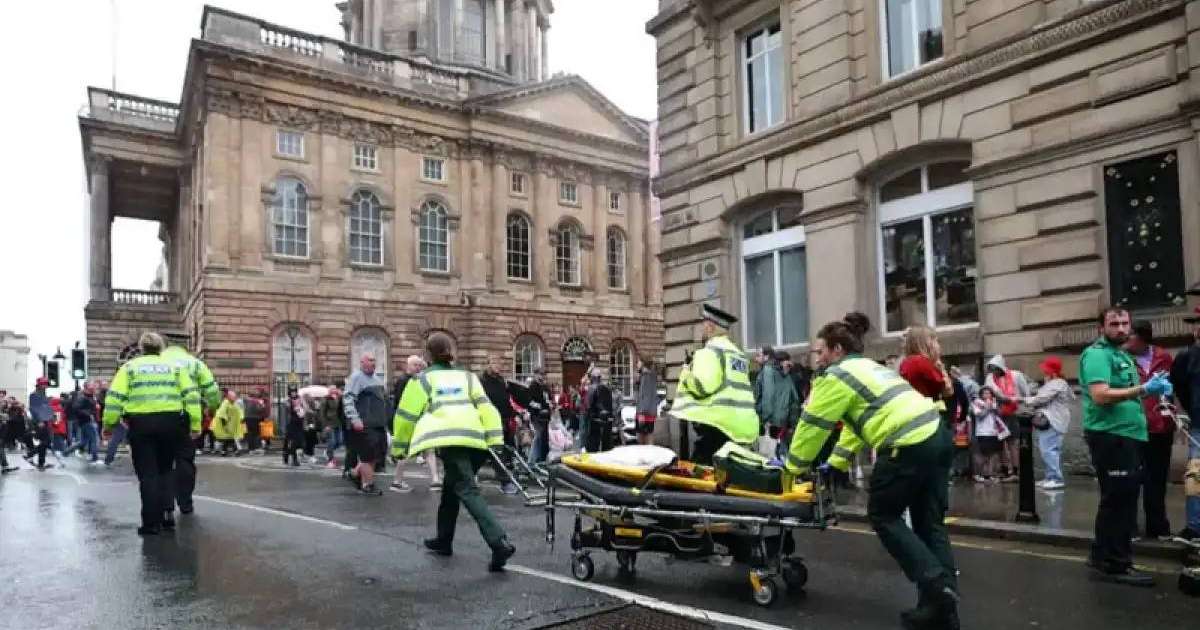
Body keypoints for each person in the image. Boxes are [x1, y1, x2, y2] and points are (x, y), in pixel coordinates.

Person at [787, 312, 958, 629]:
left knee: (883, 514)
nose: (818, 358)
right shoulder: (869, 369)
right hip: (936, 435)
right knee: (929, 524)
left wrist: (792, 468)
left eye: (821, 351)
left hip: (906, 444)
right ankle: (943, 611)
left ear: (837, 350)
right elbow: (856, 427)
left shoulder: (835, 376)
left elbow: (812, 427)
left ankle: (935, 585)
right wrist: (836, 463)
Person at [392, 332, 515, 571]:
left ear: (427, 355)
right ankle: (443, 539)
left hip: (452, 441)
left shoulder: (421, 380)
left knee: (467, 490)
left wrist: (399, 448)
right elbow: (487, 408)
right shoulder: (468, 377)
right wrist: (495, 440)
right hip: (477, 440)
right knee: (451, 490)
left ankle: (499, 542)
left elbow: (405, 418)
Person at [1079, 306, 1168, 586]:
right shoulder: (1097, 355)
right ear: (1101, 328)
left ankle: (1101, 555)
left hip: (1127, 435)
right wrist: (1143, 389)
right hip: (1111, 436)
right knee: (1121, 501)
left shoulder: (1121, 355)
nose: (1120, 328)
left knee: (1118, 499)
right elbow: (1100, 395)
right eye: (1114, 323)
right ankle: (1116, 564)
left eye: (1124, 323)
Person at [102, 332, 202, 535]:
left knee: (148, 474)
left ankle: (150, 522)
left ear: (141, 348)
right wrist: (195, 424)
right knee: (166, 470)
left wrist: (109, 425)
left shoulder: (129, 368)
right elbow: (191, 395)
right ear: (161, 348)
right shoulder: (175, 368)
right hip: (171, 422)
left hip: (141, 424)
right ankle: (167, 516)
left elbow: (115, 398)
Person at [672, 304, 760, 464]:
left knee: (698, 477)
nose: (702, 328)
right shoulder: (739, 355)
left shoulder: (710, 351)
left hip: (718, 427)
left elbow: (702, 386)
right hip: (741, 427)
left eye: (703, 324)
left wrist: (686, 373)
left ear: (710, 326)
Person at [1123, 320, 1175, 539]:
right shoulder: (1122, 360)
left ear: (1141, 337)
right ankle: (1130, 527)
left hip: (1160, 426)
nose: (1125, 340)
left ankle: (1157, 526)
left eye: (1129, 335)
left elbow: (1175, 388)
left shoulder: (1163, 357)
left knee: (1157, 478)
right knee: (1131, 478)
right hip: (1132, 426)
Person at [161, 341, 220, 517]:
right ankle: (185, 502)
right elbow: (211, 389)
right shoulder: (194, 363)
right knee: (185, 461)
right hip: (186, 417)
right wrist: (213, 406)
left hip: (160, 415)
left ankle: (167, 505)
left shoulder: (156, 362)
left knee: (163, 463)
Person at [1169, 306, 1200, 542]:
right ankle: (1195, 528)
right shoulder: (1188, 356)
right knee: (1196, 477)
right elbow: (1179, 386)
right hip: (1199, 426)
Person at [1022, 357, 1074, 491]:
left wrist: (1024, 399)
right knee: (1047, 450)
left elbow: (1041, 398)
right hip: (1052, 420)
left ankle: (1056, 479)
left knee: (1049, 450)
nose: (1043, 373)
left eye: (1045, 370)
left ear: (1051, 371)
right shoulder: (1056, 382)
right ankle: (1050, 477)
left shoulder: (1057, 383)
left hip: (1053, 421)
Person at [344, 353, 390, 495]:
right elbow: (348, 399)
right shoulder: (356, 377)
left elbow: (384, 400)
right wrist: (355, 419)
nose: (373, 363)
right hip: (365, 423)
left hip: (379, 423)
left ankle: (353, 473)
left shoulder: (377, 379)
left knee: (376, 455)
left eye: (374, 360)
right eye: (370, 360)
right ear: (362, 362)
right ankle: (367, 485)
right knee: (367, 456)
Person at [983, 354, 1031, 482]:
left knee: (1013, 443)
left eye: (995, 369)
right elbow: (987, 393)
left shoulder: (1016, 375)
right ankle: (1004, 469)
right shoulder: (990, 378)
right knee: (1000, 443)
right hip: (998, 414)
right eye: (991, 369)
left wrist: (1021, 403)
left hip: (1014, 413)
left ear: (1000, 367)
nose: (994, 372)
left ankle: (1015, 471)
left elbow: (1026, 393)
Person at [480, 357, 519, 495]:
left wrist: (514, 414)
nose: (498, 366)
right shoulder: (481, 381)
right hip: (489, 421)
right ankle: (505, 482)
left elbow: (506, 400)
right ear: (488, 364)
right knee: (496, 452)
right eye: (495, 363)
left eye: (500, 364)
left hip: (504, 420)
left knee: (508, 451)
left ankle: (510, 479)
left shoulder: (502, 381)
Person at [389, 355, 426, 493]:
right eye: (415, 365)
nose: (418, 367)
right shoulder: (404, 381)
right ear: (408, 365)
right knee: (402, 452)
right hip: (405, 420)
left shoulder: (415, 380)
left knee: (404, 452)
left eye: (419, 365)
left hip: (410, 419)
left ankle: (398, 481)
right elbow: (400, 402)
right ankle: (397, 482)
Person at [757, 349, 798, 459]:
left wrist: (765, 418)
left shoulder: (768, 372)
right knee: (775, 453)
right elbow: (794, 400)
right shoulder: (786, 376)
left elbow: (767, 396)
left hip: (770, 421)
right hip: (779, 421)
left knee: (767, 455)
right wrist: (792, 424)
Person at [970, 387, 1007, 483]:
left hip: (995, 432)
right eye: (984, 393)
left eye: (989, 393)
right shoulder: (976, 403)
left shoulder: (994, 403)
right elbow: (980, 415)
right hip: (983, 432)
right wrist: (987, 407)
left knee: (993, 454)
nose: (987, 395)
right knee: (984, 455)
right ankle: (979, 473)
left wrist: (994, 408)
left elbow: (1000, 414)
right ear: (981, 395)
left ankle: (990, 474)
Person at [62, 382, 101, 463]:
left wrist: (94, 408)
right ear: (87, 387)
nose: (94, 387)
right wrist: (89, 414)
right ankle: (95, 458)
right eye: (92, 385)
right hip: (87, 421)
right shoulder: (82, 397)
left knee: (83, 441)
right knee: (95, 439)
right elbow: (76, 408)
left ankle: (66, 452)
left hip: (86, 421)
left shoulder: (91, 396)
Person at [584, 368, 615, 453]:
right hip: (606, 420)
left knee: (592, 445)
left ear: (593, 377)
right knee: (606, 444)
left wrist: (587, 416)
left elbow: (588, 405)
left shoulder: (592, 388)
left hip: (595, 420)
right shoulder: (607, 388)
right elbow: (611, 405)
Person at [526, 367, 553, 464]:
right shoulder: (532, 386)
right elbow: (530, 402)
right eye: (540, 374)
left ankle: (542, 458)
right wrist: (542, 406)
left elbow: (549, 398)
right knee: (538, 437)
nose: (542, 376)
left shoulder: (545, 387)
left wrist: (550, 403)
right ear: (535, 375)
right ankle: (532, 460)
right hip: (536, 416)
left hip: (545, 417)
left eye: (544, 374)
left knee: (544, 437)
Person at [634, 358, 659, 446]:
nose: (637, 364)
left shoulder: (646, 376)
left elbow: (645, 396)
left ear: (643, 364)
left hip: (644, 412)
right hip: (650, 411)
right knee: (648, 436)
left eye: (638, 362)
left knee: (643, 439)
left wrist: (641, 413)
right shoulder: (650, 375)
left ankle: (645, 458)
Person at [212, 389, 244, 456]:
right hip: (226, 424)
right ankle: (234, 450)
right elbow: (222, 414)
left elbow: (239, 411)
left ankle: (225, 451)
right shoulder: (225, 403)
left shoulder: (234, 403)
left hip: (232, 424)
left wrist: (241, 418)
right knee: (228, 438)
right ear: (229, 397)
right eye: (233, 397)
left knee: (229, 438)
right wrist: (224, 424)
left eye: (235, 397)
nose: (234, 398)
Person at [321, 386, 343, 467]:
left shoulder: (339, 398)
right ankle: (330, 459)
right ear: (329, 391)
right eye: (332, 389)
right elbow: (322, 413)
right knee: (332, 441)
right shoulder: (326, 399)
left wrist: (341, 396)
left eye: (335, 389)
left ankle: (328, 451)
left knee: (339, 442)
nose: (334, 390)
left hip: (338, 423)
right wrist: (325, 425)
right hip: (330, 423)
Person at [242, 387, 269, 455]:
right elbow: (259, 410)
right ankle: (256, 448)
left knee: (250, 434)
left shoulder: (247, 400)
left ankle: (251, 449)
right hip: (256, 418)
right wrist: (263, 406)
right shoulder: (259, 401)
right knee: (256, 434)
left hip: (248, 418)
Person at [283, 387, 304, 467]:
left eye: (295, 392)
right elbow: (287, 411)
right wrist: (293, 408)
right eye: (292, 392)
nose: (293, 393)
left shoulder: (300, 399)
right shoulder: (288, 400)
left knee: (299, 442)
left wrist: (301, 409)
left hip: (299, 423)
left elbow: (304, 409)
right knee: (290, 442)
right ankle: (289, 457)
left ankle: (292, 457)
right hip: (291, 424)